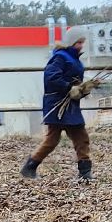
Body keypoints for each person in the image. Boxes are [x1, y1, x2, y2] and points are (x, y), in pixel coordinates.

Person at [21, 25, 96, 181]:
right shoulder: (61, 57)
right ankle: (30, 167)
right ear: (71, 42)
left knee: (81, 137)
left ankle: (85, 172)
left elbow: (74, 84)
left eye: (82, 42)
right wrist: (69, 88)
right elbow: (51, 78)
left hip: (70, 105)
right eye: (78, 42)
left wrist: (83, 90)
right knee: (53, 139)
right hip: (58, 105)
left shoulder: (74, 59)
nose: (81, 45)